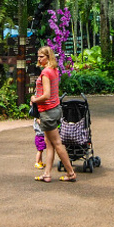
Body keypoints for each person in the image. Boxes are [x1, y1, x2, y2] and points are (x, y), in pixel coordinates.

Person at [31, 45, 77, 182]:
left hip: (48, 111)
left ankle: (71, 173)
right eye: (38, 56)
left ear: (48, 57)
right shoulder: (54, 70)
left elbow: (46, 95)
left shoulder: (46, 73)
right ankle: (47, 174)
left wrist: (34, 99)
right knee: (49, 143)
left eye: (41, 56)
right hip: (55, 109)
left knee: (57, 143)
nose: (39, 59)